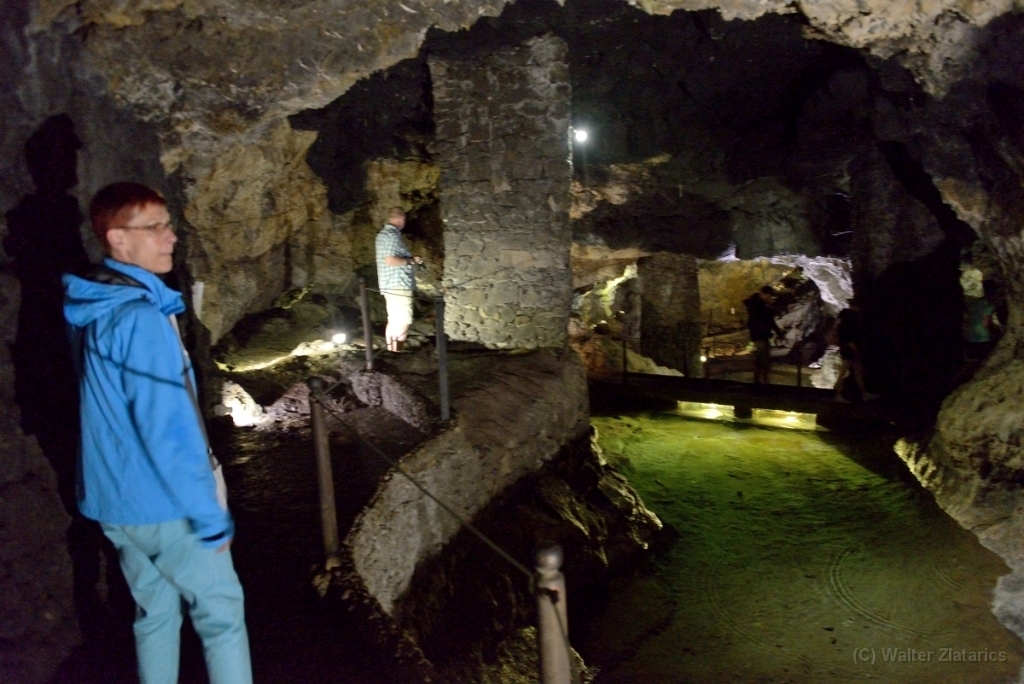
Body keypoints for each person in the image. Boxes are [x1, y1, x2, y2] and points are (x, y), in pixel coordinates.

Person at [63, 182, 252, 684]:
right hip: (163, 503)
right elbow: (166, 425)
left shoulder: (97, 305)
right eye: (154, 228)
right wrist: (207, 514)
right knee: (222, 616)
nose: (171, 237)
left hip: (115, 499)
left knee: (156, 613)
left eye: (168, 225)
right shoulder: (140, 319)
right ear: (118, 239)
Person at [375, 206, 422, 351]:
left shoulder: (382, 235)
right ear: (402, 219)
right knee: (403, 320)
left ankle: (392, 351)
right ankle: (397, 351)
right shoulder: (391, 235)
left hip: (390, 284)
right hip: (398, 284)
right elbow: (391, 260)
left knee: (394, 320)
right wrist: (412, 260)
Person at [834, 299, 879, 402]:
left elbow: (845, 336)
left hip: (847, 349)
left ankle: (864, 393)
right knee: (845, 372)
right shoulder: (850, 319)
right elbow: (849, 337)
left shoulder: (844, 320)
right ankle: (838, 395)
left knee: (857, 372)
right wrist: (856, 349)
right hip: (849, 350)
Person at [744, 285, 781, 386]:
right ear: (765, 294)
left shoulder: (759, 305)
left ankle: (760, 380)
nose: (771, 298)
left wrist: (778, 332)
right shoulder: (757, 306)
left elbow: (769, 321)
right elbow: (765, 320)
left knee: (761, 358)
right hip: (759, 335)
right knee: (763, 358)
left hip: (760, 335)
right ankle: (763, 381)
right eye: (769, 296)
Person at [964, 280, 1001, 361]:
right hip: (982, 339)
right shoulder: (989, 305)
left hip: (969, 338)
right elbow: (985, 323)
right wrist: (995, 333)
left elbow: (968, 319)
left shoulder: (973, 302)